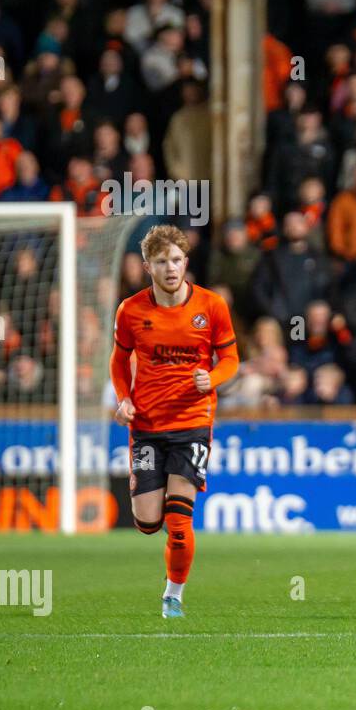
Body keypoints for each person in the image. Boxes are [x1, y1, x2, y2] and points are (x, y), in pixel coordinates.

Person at [110, 225, 240, 618]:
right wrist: (123, 399)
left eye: (177, 260)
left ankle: (173, 596)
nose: (171, 268)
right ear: (148, 265)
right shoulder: (131, 310)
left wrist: (211, 378)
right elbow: (119, 362)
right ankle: (164, 524)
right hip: (147, 426)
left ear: (187, 261)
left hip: (192, 422)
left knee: (180, 519)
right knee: (149, 522)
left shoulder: (211, 306)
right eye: (162, 261)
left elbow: (232, 360)